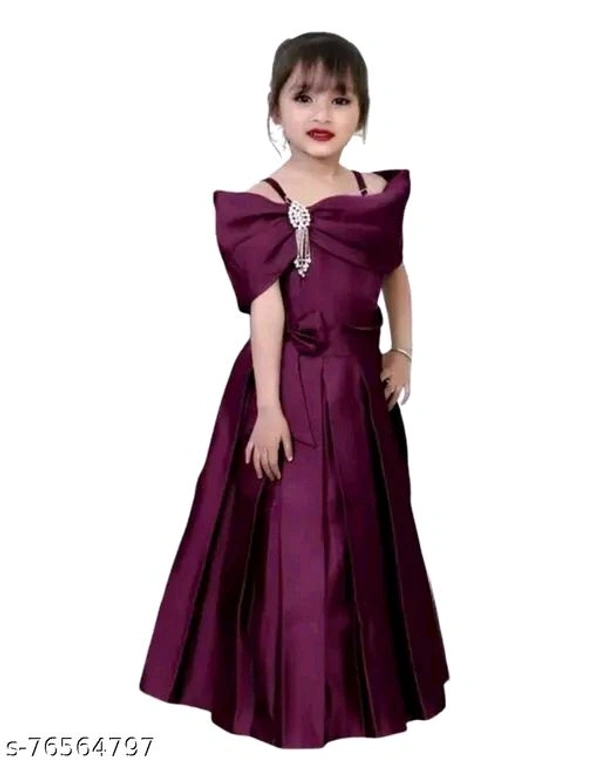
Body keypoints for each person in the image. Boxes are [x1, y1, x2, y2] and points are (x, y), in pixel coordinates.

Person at [139, 30, 450, 749]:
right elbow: (267, 310)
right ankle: (281, 694)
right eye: (304, 96)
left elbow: (394, 273)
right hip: (285, 386)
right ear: (274, 106)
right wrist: (270, 408)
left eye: (341, 100)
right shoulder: (261, 203)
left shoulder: (376, 194)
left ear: (362, 112)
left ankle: (364, 690)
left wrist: (402, 351)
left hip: (359, 390)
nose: (322, 113)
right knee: (294, 539)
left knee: (364, 533)